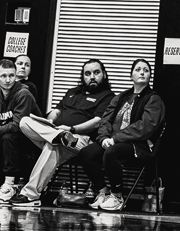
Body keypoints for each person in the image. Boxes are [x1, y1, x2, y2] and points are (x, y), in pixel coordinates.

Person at [12, 59, 115, 209]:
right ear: (82, 76)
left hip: (81, 140)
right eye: (87, 73)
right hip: (59, 134)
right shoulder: (72, 92)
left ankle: (30, 194)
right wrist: (50, 121)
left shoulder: (107, 96)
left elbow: (98, 121)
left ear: (104, 74)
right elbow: (57, 110)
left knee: (52, 145)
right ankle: (57, 136)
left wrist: (72, 130)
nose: (92, 76)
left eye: (96, 72)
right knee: (24, 121)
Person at [79, 59, 165, 212]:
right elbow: (106, 119)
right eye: (138, 69)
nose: (142, 72)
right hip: (113, 140)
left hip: (140, 144)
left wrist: (115, 139)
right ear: (131, 75)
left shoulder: (153, 98)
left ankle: (117, 196)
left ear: (150, 76)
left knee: (112, 153)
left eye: (146, 70)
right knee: (87, 153)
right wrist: (104, 138)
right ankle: (103, 192)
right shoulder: (121, 97)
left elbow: (144, 127)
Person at [0, 57, 42, 203]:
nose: (7, 80)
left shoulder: (23, 93)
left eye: (11, 75)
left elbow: (18, 125)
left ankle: (9, 185)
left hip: (31, 138)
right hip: (9, 133)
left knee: (8, 137)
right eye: (3, 76)